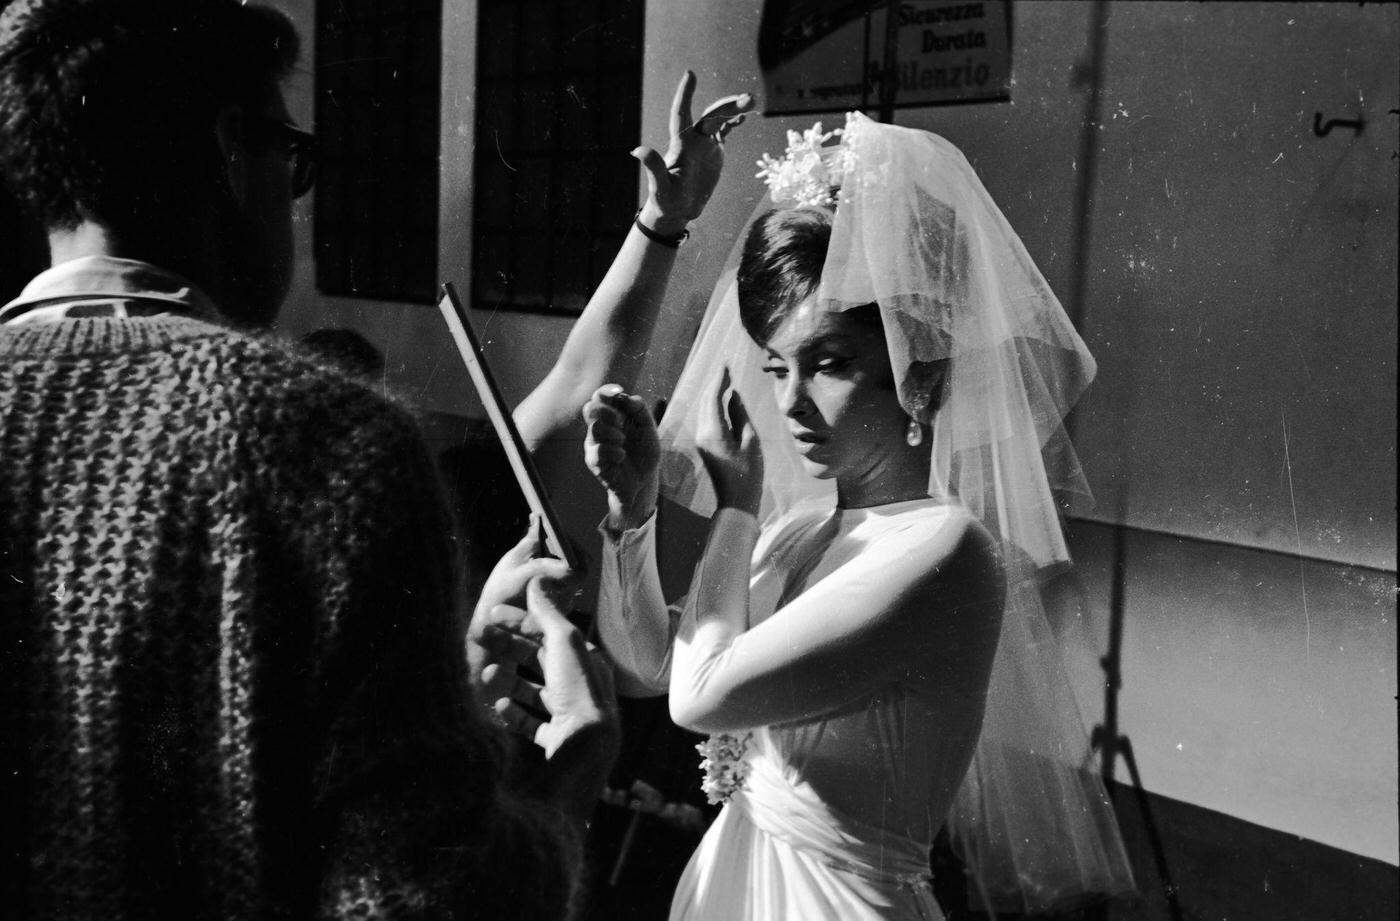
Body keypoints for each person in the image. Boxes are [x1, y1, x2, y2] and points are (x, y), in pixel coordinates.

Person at [0, 1, 642, 917]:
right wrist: (574, 768)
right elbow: (419, 896)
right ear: (232, 151)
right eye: (290, 162)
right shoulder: (324, 444)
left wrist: (426, 697)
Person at [583, 113, 1137, 919]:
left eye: (830, 363)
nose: (789, 402)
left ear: (920, 374)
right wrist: (631, 516)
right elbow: (647, 667)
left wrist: (737, 501)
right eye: (777, 366)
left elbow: (699, 695)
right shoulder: (803, 529)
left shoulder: (947, 548)